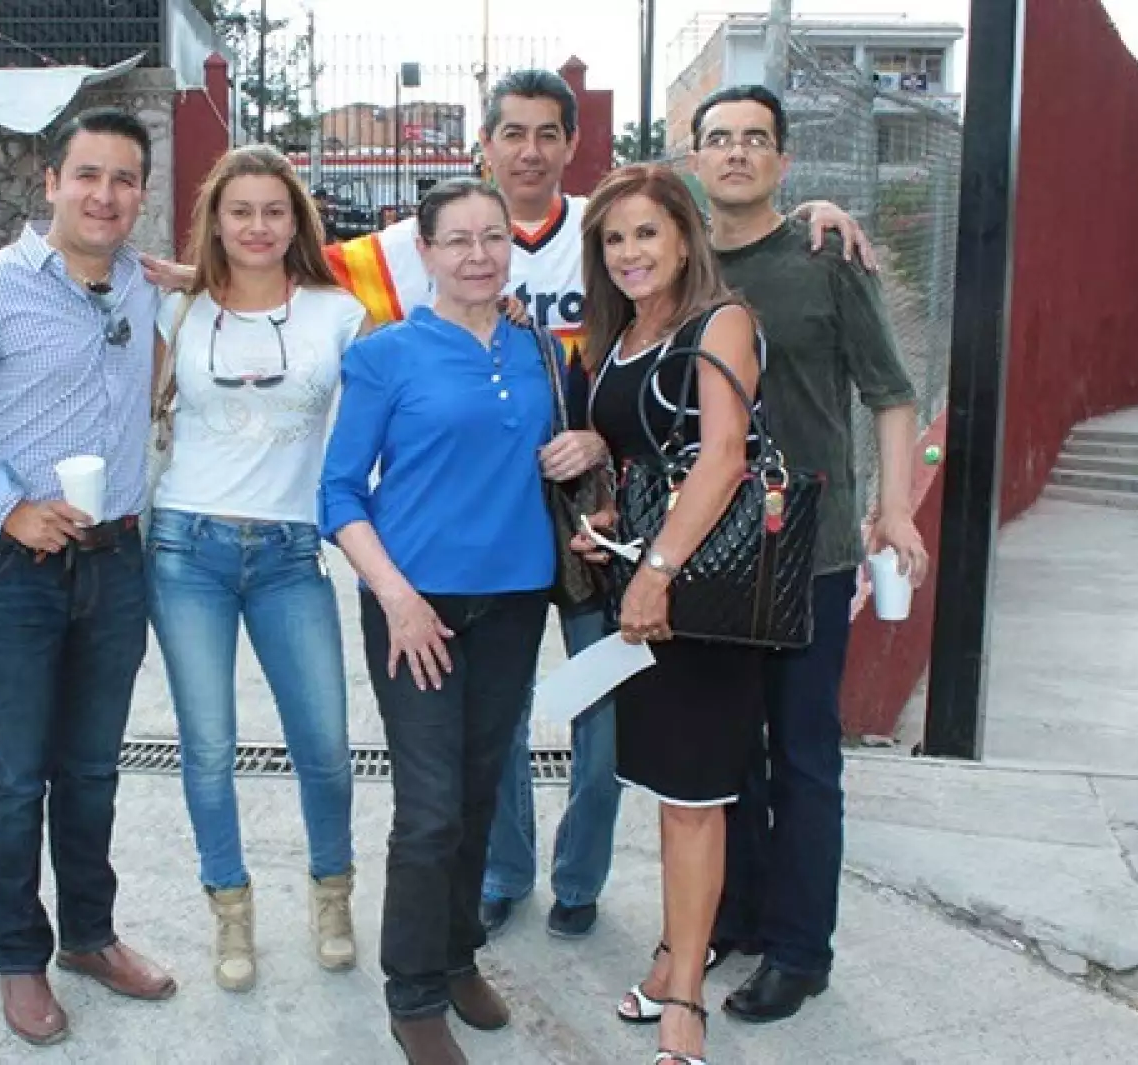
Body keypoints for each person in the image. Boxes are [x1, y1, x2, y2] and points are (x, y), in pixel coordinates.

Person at [144, 70, 877, 943]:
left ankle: (581, 879)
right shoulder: (423, 245)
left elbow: (707, 223)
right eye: (512, 134)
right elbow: (283, 269)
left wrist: (814, 211)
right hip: (490, 543)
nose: (529, 150)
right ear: (483, 147)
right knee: (502, 731)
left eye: (547, 133)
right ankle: (503, 875)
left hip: (592, 540)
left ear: (572, 145)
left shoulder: (606, 226)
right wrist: (194, 278)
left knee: (598, 711)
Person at [0, 108, 177, 1047]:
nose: (106, 195)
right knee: (18, 775)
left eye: (125, 179)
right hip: (11, 570)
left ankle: (91, 936)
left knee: (94, 769)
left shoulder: (141, 280)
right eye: (89, 175)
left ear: (142, 193)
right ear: (52, 182)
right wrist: (8, 506)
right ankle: (19, 957)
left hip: (116, 564)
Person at [686, 85, 930, 1023]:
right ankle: (736, 914)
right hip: (707, 550)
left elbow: (891, 391)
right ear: (697, 158)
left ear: (783, 162)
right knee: (723, 755)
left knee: (803, 758)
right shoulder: (675, 257)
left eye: (756, 139)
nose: (737, 152)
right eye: (720, 139)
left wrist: (895, 507)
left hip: (812, 552)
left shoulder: (827, 255)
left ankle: (800, 950)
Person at [319, 177, 555, 1065]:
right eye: (457, 239)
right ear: (424, 253)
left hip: (516, 600)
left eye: (493, 237)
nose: (478, 254)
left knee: (479, 791)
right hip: (413, 609)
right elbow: (339, 493)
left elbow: (560, 448)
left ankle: (457, 956)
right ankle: (412, 989)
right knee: (427, 809)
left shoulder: (539, 349)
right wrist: (397, 597)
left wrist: (592, 444)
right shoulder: (387, 355)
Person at [145, 145, 370, 993]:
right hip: (185, 549)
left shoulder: (336, 314)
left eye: (274, 211)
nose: (257, 226)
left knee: (325, 745)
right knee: (208, 747)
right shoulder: (181, 308)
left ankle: (332, 894)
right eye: (240, 211)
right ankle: (231, 909)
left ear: (296, 220)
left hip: (288, 554)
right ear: (215, 219)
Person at [573, 163, 767, 1065]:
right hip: (645, 588)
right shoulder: (620, 336)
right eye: (614, 238)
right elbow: (647, 457)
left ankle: (686, 998)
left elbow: (724, 456)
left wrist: (653, 568)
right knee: (668, 788)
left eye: (647, 233)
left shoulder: (719, 320)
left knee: (695, 799)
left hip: (704, 594)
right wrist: (611, 522)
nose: (630, 253)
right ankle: (668, 955)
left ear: (685, 236)